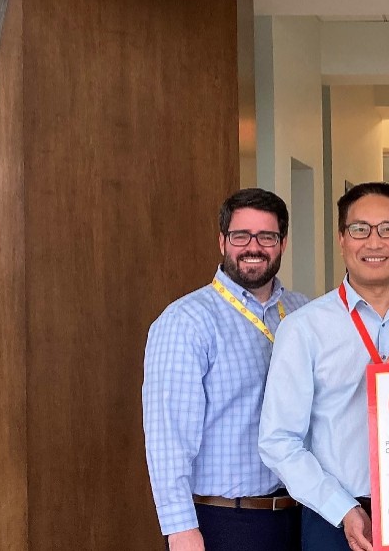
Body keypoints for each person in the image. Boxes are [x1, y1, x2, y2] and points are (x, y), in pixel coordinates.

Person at [259, 182, 389, 551]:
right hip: (335, 517)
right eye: (360, 230)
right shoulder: (304, 328)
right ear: (342, 239)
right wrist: (342, 508)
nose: (374, 242)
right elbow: (278, 440)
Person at [143, 188, 309, 551]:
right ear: (222, 241)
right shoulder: (186, 322)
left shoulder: (303, 313)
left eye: (267, 236)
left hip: (302, 517)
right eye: (240, 236)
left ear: (282, 243)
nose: (254, 246)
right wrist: (180, 530)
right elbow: (167, 439)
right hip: (226, 523)